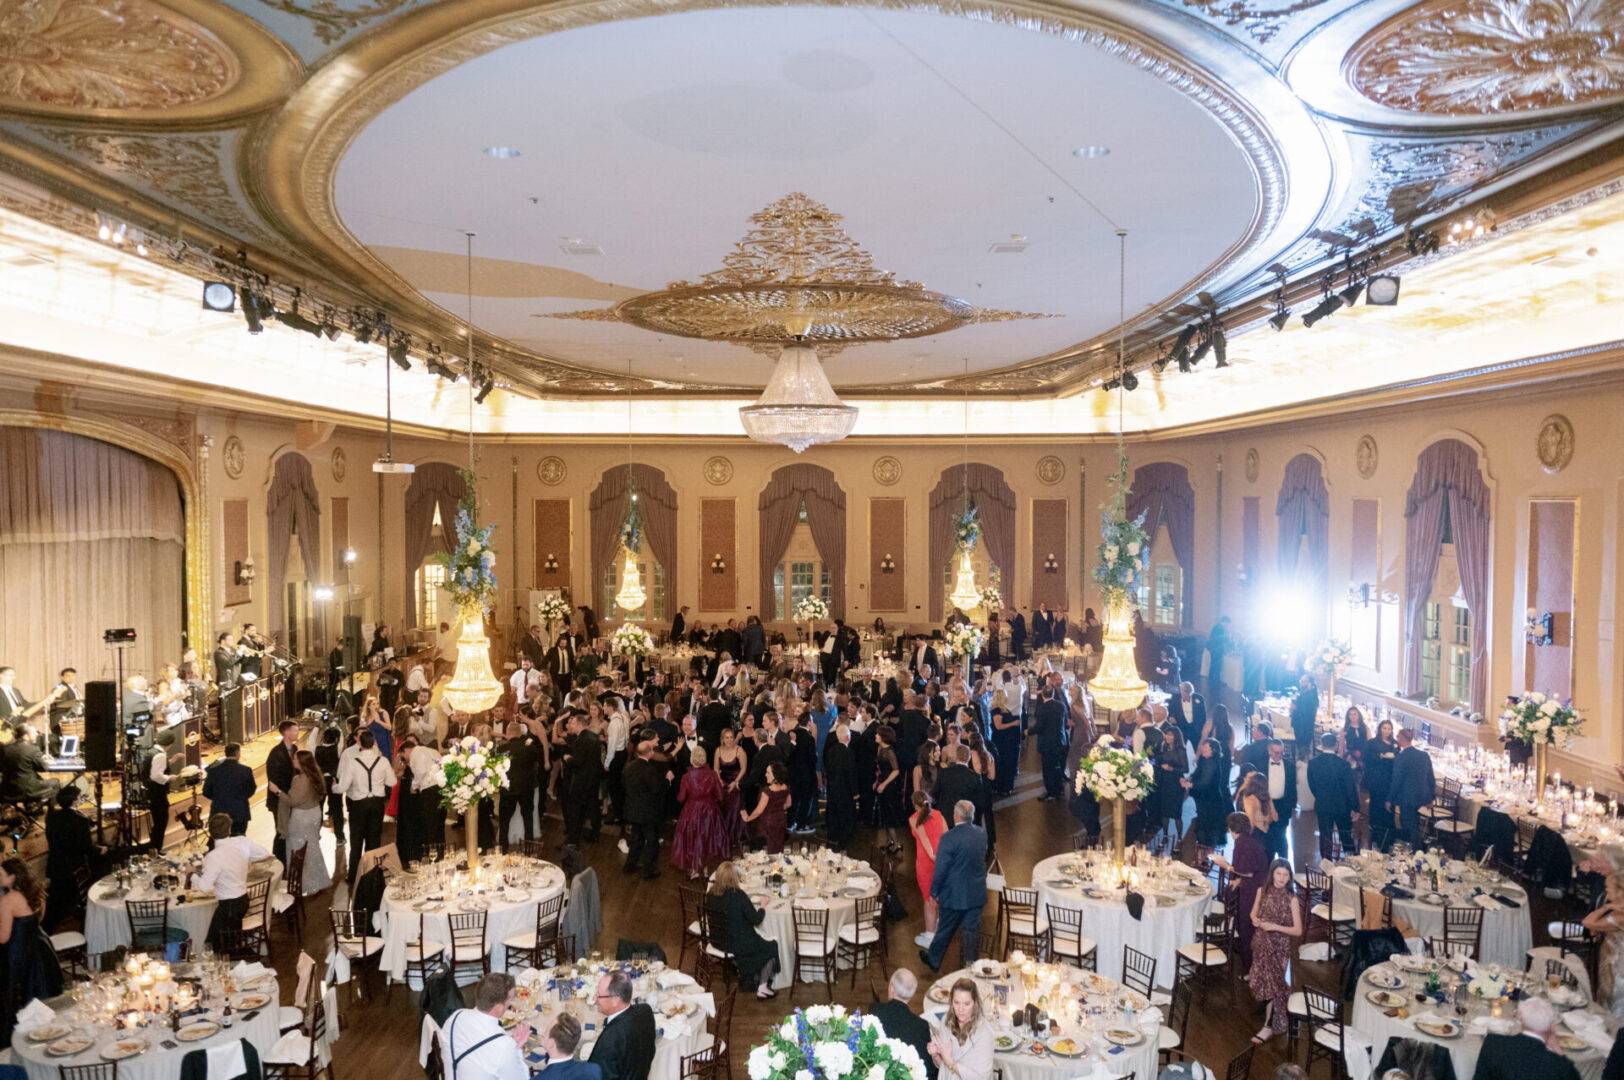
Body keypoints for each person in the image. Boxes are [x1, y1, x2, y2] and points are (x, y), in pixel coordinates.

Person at [920, 800, 987, 973]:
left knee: (945, 929)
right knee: (971, 932)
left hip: (953, 894)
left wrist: (934, 892)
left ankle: (934, 960)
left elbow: (940, 869)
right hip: (976, 893)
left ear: (956, 815)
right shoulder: (981, 833)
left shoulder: (948, 838)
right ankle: (970, 965)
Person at [0, 857, 59, 1045]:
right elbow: (38, 920)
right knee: (43, 995)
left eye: (2, 875)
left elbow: (4, 937)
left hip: (20, 953)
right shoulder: (35, 894)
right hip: (42, 948)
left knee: (20, 997)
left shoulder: (9, 900)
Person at [1247, 859, 1303, 1043]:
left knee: (1274, 986)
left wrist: (1275, 927)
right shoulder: (1262, 891)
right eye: (1278, 874)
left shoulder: (1292, 898)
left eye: (1285, 875)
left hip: (1279, 948)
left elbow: (1298, 930)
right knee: (1261, 981)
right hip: (1261, 943)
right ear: (1272, 874)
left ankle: (1268, 1026)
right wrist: (1255, 920)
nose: (1281, 878)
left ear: (1290, 877)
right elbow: (1253, 913)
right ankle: (1275, 1014)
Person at [706, 861, 780, 999]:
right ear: (733, 878)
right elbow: (756, 919)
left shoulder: (710, 894)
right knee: (771, 946)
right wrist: (763, 906)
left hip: (717, 940)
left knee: (755, 938)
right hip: (736, 943)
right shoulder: (738, 895)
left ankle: (748, 971)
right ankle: (763, 987)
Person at [194, 813, 270, 943]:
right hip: (243, 901)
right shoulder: (241, 841)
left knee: (214, 943)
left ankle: (231, 958)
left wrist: (193, 875)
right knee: (228, 940)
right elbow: (264, 853)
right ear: (229, 829)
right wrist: (245, 859)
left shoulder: (213, 856)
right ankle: (236, 953)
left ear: (211, 834)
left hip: (228, 907)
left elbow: (204, 887)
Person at [443, 972, 529, 1080]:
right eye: (510, 1000)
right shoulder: (505, 1047)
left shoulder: (455, 1016)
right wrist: (516, 1050)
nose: (511, 1003)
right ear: (498, 1008)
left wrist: (511, 1046)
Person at [1471, 998, 1582, 1080]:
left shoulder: (1493, 1043)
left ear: (1521, 1020)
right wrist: (1558, 1050)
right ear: (1552, 1027)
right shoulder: (1560, 1065)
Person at [335, 728, 393, 883]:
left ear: (359, 743)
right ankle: (372, 874)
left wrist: (334, 786)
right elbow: (392, 782)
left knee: (356, 840)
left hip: (358, 805)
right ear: (374, 743)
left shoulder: (353, 762)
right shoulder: (383, 761)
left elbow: (342, 787)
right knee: (374, 839)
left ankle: (353, 876)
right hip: (377, 804)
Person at [43, 787, 102, 932]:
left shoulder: (52, 817)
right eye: (80, 797)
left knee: (54, 903)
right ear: (75, 800)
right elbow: (86, 848)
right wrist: (100, 849)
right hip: (73, 869)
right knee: (69, 900)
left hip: (55, 865)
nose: (82, 799)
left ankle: (48, 930)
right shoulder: (80, 820)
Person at [1213, 811, 1269, 963]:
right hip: (1256, 884)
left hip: (1253, 890)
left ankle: (1249, 964)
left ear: (1232, 829)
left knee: (1246, 925)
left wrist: (1225, 866)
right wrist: (1239, 881)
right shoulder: (1249, 840)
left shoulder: (1242, 844)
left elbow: (1247, 872)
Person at [1580, 846, 1624, 1022]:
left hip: (1617, 962)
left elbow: (1589, 922)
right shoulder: (1613, 885)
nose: (1607, 891)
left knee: (1613, 1001)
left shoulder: (1619, 913)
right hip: (1609, 954)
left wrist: (1607, 908)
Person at [587, 971, 656, 1080]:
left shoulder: (609, 1040)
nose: (595, 999)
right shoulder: (645, 1010)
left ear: (616, 1000)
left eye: (599, 995)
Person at [671, 746, 726, 879]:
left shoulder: (686, 777)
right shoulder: (712, 774)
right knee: (707, 839)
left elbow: (681, 798)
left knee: (693, 839)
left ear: (692, 759)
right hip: (709, 811)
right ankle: (706, 870)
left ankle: (695, 870)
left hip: (691, 811)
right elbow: (720, 796)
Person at [870, 968, 937, 1080]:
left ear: (891, 988)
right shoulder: (921, 1025)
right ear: (912, 994)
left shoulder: (874, 1010)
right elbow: (927, 1064)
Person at [282, 749, 332, 894]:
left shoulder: (300, 779)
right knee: (313, 847)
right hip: (315, 814)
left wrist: (278, 792)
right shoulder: (316, 775)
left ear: (302, 762)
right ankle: (318, 880)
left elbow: (293, 801)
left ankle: (304, 884)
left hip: (301, 817)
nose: (293, 761)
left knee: (298, 848)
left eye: (295, 759)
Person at [620, 736, 667, 880]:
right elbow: (656, 789)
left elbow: (624, 785)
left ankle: (630, 866)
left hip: (632, 810)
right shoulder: (649, 769)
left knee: (636, 839)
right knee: (652, 842)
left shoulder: (628, 767)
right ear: (649, 753)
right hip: (647, 813)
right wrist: (667, 780)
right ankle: (649, 872)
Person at [928, 977, 994, 1080]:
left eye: (967, 1004)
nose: (961, 1009)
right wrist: (936, 1055)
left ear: (975, 1003)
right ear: (951, 1002)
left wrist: (950, 1062)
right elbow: (943, 1066)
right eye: (956, 1002)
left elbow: (982, 1077)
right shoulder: (946, 1021)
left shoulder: (984, 1033)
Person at [1306, 732, 1359, 858]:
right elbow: (1350, 788)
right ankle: (1351, 859)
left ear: (1321, 745)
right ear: (1336, 745)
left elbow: (1312, 785)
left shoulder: (1313, 763)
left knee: (1325, 835)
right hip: (1342, 805)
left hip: (1323, 804)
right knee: (1345, 834)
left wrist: (1320, 796)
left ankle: (1326, 863)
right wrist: (1355, 807)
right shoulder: (1344, 764)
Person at [910, 791, 948, 948]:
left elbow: (928, 848)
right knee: (937, 898)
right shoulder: (939, 814)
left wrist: (936, 858)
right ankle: (936, 929)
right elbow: (947, 836)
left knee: (928, 900)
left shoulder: (913, 819)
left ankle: (929, 936)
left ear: (914, 804)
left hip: (926, 864)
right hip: (943, 862)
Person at [560, 713, 603, 845]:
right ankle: (595, 834)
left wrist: (568, 758)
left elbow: (578, 762)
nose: (570, 725)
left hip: (582, 780)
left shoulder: (581, 740)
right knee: (593, 807)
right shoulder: (593, 737)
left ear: (579, 724)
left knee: (576, 810)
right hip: (594, 779)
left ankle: (572, 840)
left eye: (572, 723)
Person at [1389, 728, 1435, 847]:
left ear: (1401, 739)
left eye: (1398, 737)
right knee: (1415, 824)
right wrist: (1431, 798)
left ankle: (1414, 851)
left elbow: (1396, 781)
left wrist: (1390, 799)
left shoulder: (1401, 757)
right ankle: (1415, 849)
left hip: (1407, 797)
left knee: (1409, 826)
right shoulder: (1424, 755)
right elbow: (1431, 778)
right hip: (1422, 796)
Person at [202, 742, 256, 835]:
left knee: (220, 842)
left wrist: (218, 798)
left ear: (225, 753)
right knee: (239, 842)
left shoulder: (213, 771)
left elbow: (206, 791)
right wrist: (241, 798)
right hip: (239, 812)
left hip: (219, 813)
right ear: (237, 753)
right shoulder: (246, 770)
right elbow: (251, 789)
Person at [264, 720, 298, 862]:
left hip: (290, 798)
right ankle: (279, 861)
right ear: (286, 732)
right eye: (295, 730)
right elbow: (274, 779)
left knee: (290, 830)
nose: (297, 733)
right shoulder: (276, 753)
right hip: (279, 800)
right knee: (281, 832)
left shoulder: (295, 749)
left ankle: (289, 858)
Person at [1363, 720, 1400, 850]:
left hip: (1390, 780)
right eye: (1384, 728)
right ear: (1380, 729)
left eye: (1389, 729)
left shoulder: (1395, 744)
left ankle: (1389, 837)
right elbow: (1366, 757)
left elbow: (1398, 759)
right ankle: (1376, 834)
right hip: (1377, 780)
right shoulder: (1372, 743)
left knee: (1389, 807)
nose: (1387, 731)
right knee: (1377, 805)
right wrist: (1380, 756)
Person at [1187, 738, 1230, 848]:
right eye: (1203, 746)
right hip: (1203, 798)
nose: (1202, 749)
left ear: (1213, 750)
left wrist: (1190, 785)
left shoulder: (1212, 763)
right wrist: (1189, 778)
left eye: (1206, 747)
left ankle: (1204, 856)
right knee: (1202, 823)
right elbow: (1197, 772)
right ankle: (1202, 854)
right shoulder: (1204, 759)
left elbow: (1205, 782)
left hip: (1211, 801)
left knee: (1207, 828)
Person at [741, 761, 790, 854]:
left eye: (768, 772)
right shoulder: (785, 787)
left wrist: (748, 818)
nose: (765, 775)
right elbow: (788, 804)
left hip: (768, 823)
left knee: (767, 849)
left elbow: (759, 810)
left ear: (775, 775)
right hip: (781, 820)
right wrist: (778, 809)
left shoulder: (767, 791)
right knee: (779, 847)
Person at [142, 725, 179, 852]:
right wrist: (170, 778)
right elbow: (156, 776)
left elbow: (155, 767)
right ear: (169, 744)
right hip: (157, 794)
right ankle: (155, 849)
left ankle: (154, 848)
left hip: (151, 793)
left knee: (158, 822)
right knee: (161, 822)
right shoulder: (160, 756)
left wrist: (172, 760)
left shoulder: (152, 751)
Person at [823, 721, 857, 850]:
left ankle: (831, 840)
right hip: (845, 790)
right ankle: (843, 842)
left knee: (832, 813)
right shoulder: (849, 753)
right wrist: (855, 792)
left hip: (832, 788)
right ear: (848, 737)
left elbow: (828, 769)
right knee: (845, 815)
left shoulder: (831, 751)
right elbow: (851, 774)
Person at [1031, 686, 1068, 802]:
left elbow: (1039, 726)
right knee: (1057, 767)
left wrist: (1029, 731)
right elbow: (1065, 722)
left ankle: (1051, 792)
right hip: (1060, 740)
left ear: (1042, 695)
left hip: (1048, 743)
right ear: (1053, 694)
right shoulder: (1061, 705)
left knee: (1048, 769)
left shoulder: (1042, 708)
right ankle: (1059, 789)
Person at [537, 1013, 601, 1079]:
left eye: (546, 1031)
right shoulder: (593, 1070)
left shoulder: (541, 1078)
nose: (543, 1034)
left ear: (551, 1043)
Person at [1262, 740, 1296, 859]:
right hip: (1265, 805)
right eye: (1276, 752)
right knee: (1267, 837)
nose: (1279, 755)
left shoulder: (1290, 766)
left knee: (1281, 835)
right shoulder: (1261, 764)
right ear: (1269, 751)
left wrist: (1292, 805)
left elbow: (1292, 787)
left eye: (1281, 753)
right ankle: (1268, 864)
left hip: (1283, 805)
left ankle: (1283, 862)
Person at [874, 725, 904, 849]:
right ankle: (889, 841)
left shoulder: (890, 752)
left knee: (889, 815)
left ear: (883, 737)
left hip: (890, 786)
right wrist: (876, 781)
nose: (875, 736)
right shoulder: (880, 748)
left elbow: (896, 771)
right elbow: (879, 768)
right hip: (882, 782)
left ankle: (896, 844)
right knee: (884, 814)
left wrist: (883, 784)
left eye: (877, 734)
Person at [1290, 675, 1319, 755]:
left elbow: (1305, 709)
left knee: (1303, 747)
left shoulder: (1311, 695)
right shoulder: (1300, 693)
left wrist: (1294, 706)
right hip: (1298, 723)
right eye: (1301, 681)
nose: (1301, 683)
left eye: (1304, 681)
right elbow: (1292, 707)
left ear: (1310, 683)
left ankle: (1303, 761)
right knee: (1299, 745)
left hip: (1305, 725)